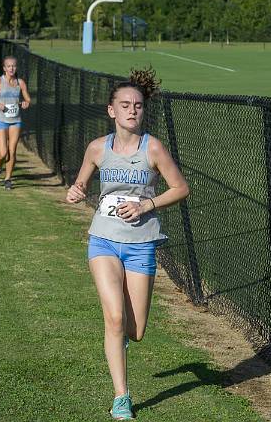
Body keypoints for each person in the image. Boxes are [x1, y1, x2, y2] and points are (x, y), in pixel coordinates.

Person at [65, 68, 190, 420]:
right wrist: (75, 192)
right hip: (103, 239)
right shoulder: (96, 148)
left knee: (134, 331)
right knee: (115, 317)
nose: (132, 110)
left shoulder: (153, 148)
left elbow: (181, 188)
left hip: (141, 244)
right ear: (111, 111)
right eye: (125, 105)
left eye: (137, 105)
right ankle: (122, 397)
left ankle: (118, 340)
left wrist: (146, 204)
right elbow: (79, 186)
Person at [0, 56, 31, 190]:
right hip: (1, 120)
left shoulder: (20, 83)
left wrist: (25, 103)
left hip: (15, 121)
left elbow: (27, 98)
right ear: (4, 68)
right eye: (9, 66)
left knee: (12, 151)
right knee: (3, 152)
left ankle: (8, 179)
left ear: (16, 68)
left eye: (14, 66)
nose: (11, 68)